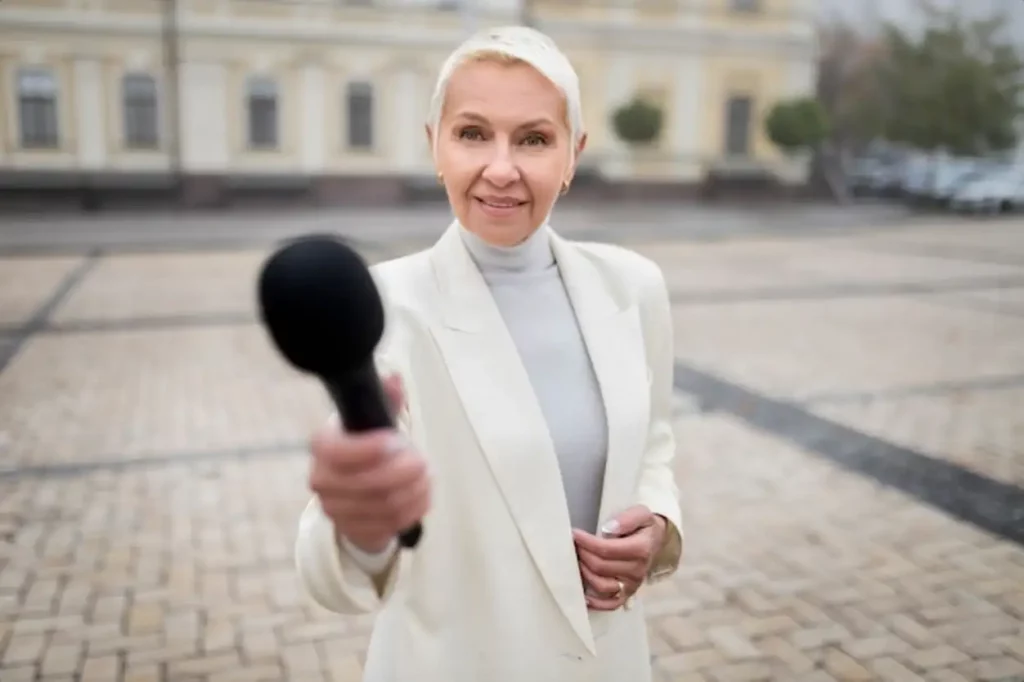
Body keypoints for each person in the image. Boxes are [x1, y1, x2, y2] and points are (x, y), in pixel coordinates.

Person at [294, 25, 683, 682]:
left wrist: (662, 531)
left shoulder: (634, 287)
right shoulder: (386, 306)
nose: (501, 168)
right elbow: (340, 565)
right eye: (473, 133)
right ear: (435, 146)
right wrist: (359, 520)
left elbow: (655, 449)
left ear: (573, 155)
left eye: (534, 139)